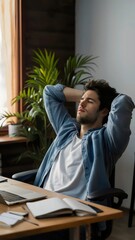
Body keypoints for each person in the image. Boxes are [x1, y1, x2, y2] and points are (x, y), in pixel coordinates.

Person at [33, 79, 134, 240]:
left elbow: (124, 102)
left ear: (104, 111)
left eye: (90, 102)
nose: (82, 104)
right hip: (40, 203)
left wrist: (101, 96)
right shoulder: (65, 129)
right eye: (81, 101)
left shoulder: (108, 141)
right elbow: (49, 92)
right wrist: (86, 95)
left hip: (73, 214)